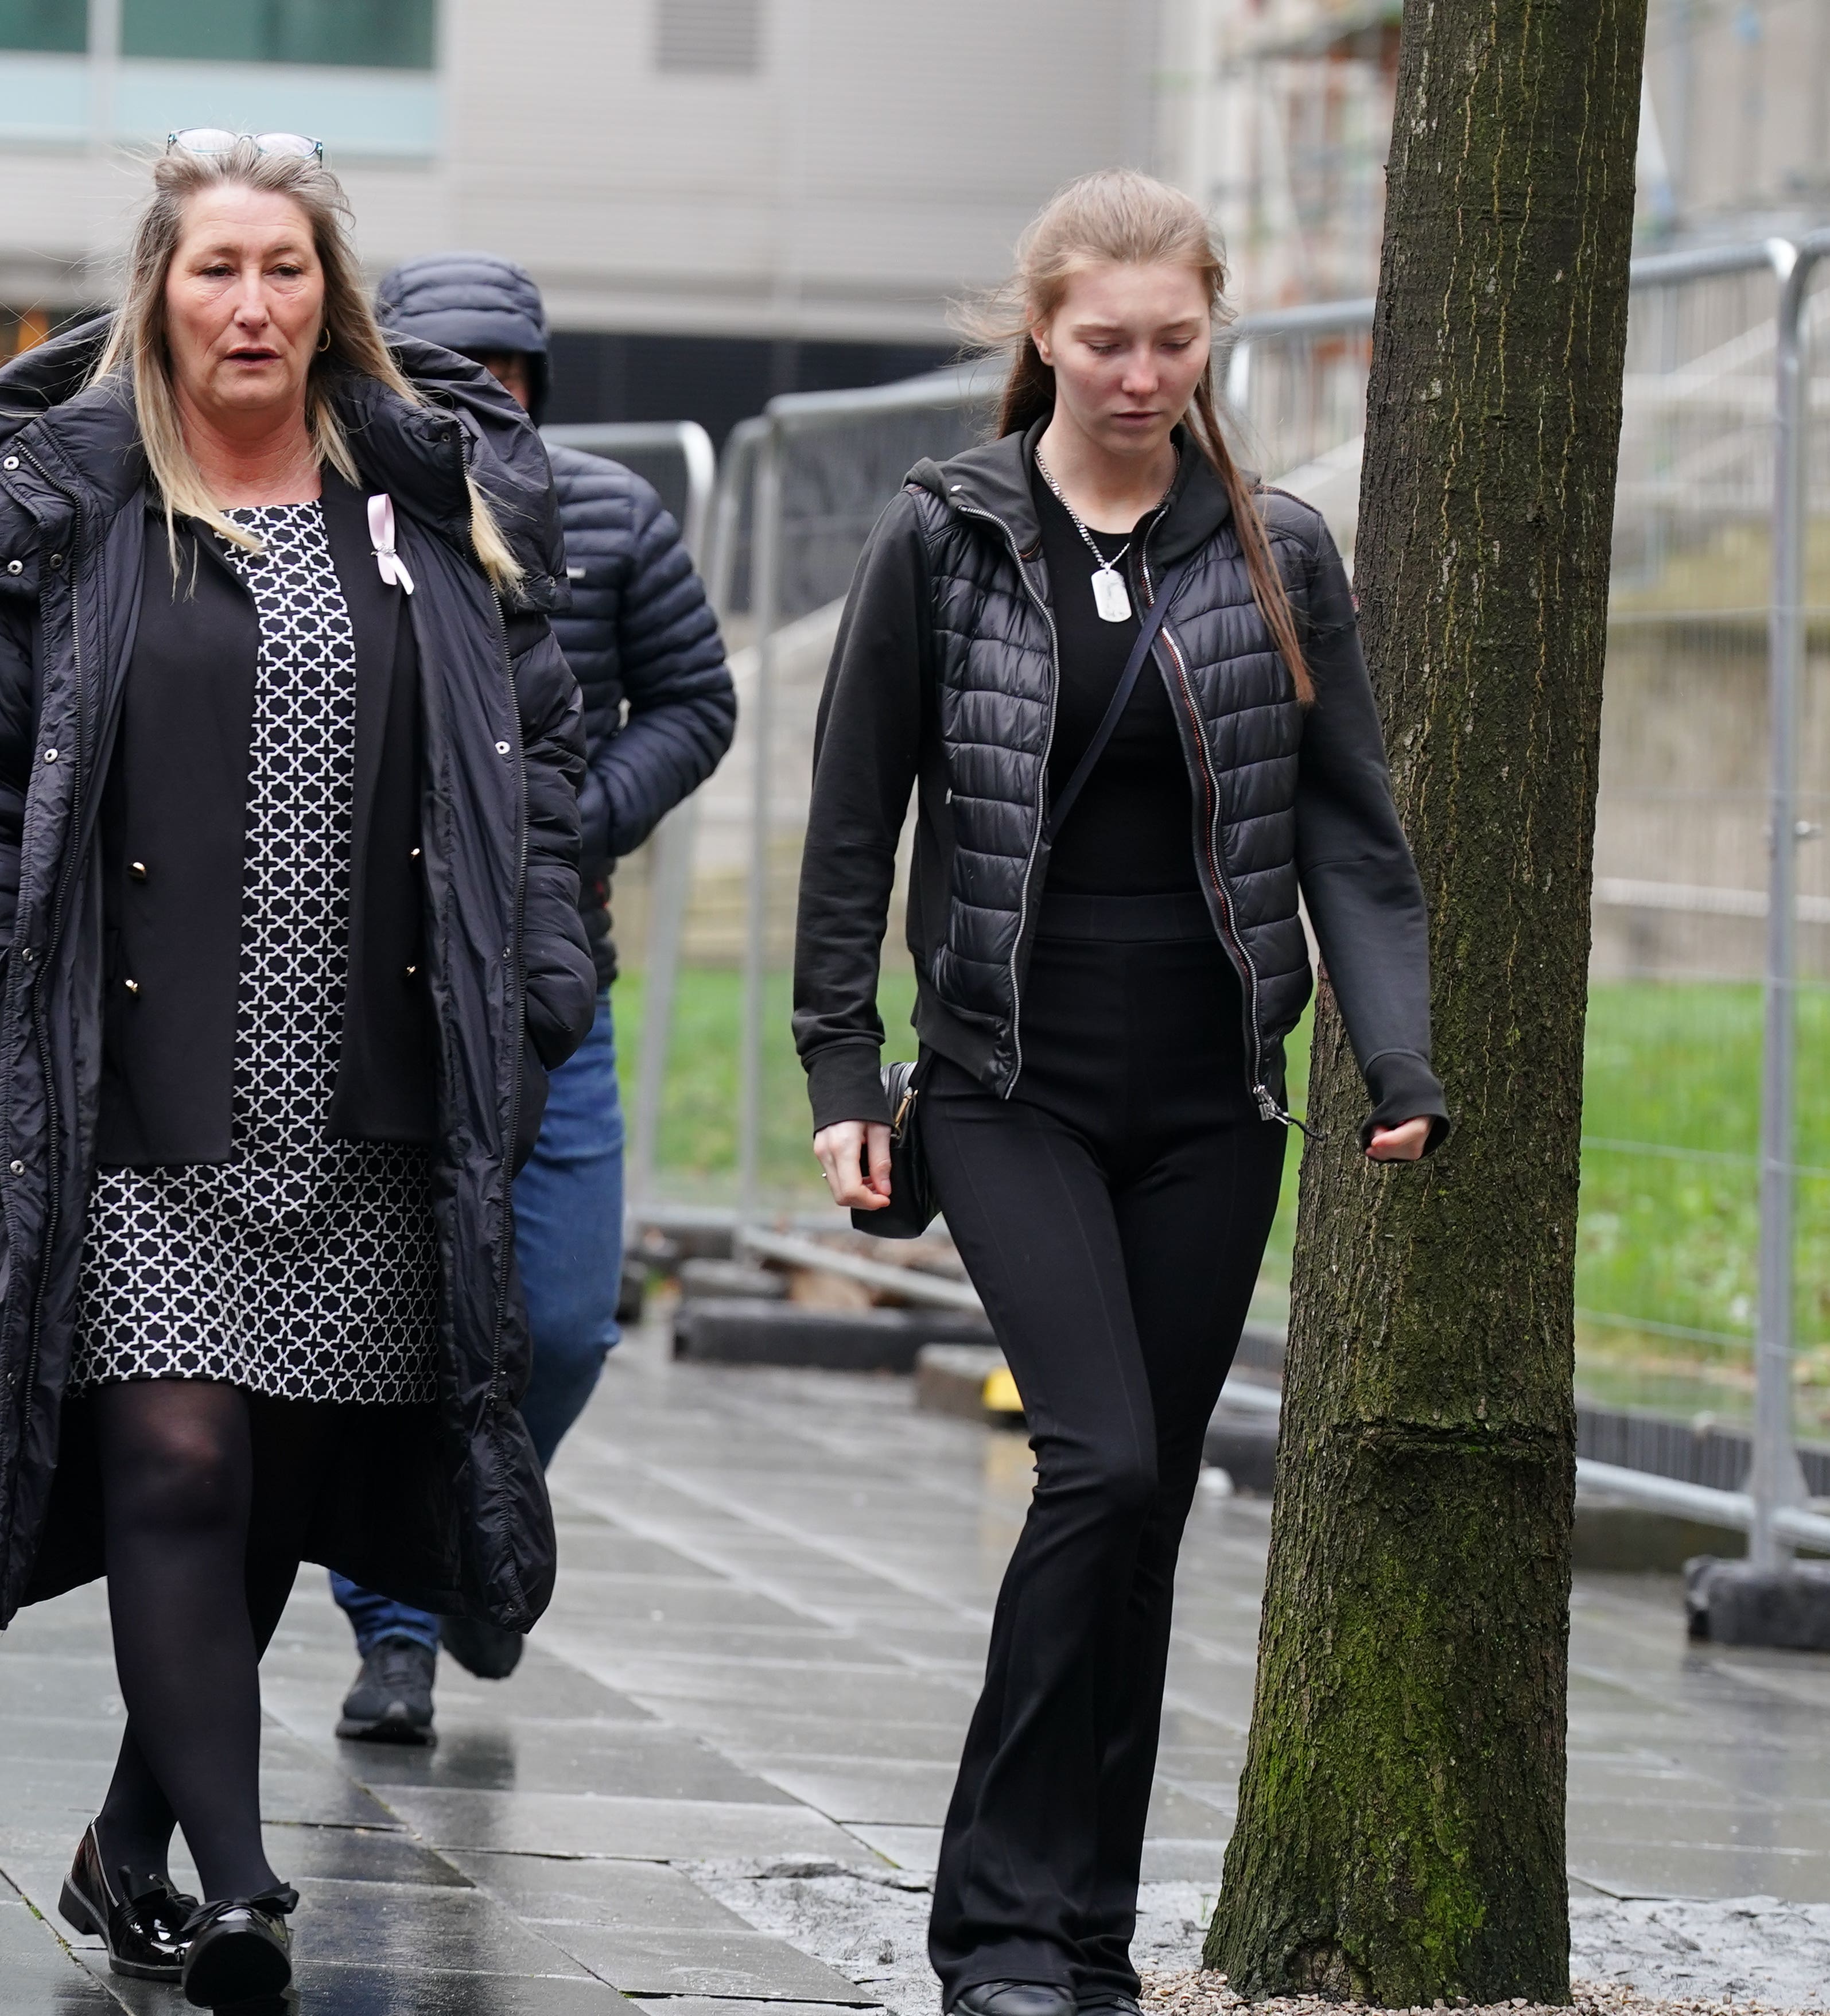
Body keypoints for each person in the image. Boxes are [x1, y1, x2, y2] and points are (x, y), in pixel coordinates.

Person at [0, 134, 593, 2009]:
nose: (251, 303)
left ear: (329, 294)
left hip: (371, 1088)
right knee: (179, 1455)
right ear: (158, 294)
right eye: (216, 271)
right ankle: (249, 1886)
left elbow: (546, 764)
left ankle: (131, 1836)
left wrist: (538, 975)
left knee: (276, 1481)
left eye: (284, 268)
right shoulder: (74, 502)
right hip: (130, 1077)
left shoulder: (425, 510)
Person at [792, 170, 1448, 2016]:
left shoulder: (1274, 550)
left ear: (1208, 333)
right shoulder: (943, 535)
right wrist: (838, 1062)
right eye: (1104, 339)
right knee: (1096, 1459)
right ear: (1042, 335)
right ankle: (989, 1923)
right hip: (1008, 1081)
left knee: (1142, 1509)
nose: (1141, 372)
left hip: (1210, 1100)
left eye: (1174, 339)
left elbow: (1350, 834)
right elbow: (853, 821)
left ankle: (1083, 1935)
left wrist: (1389, 1055)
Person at [328, 253, 735, 1743]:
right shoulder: (343, 519)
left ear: (532, 385)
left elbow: (696, 700)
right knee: (386, 1322)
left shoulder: (612, 515)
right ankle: (396, 1624)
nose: (468, 397)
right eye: (435, 368)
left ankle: (474, 1538)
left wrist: (570, 817)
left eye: (496, 373)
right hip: (363, 1006)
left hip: (555, 997)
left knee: (556, 1324)